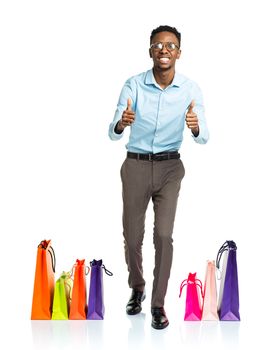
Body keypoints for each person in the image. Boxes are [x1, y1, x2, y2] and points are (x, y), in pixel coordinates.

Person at [108, 25, 209, 329]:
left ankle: (157, 304)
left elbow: (204, 137)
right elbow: (112, 130)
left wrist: (194, 126)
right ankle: (137, 288)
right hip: (136, 164)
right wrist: (121, 123)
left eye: (170, 45)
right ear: (150, 50)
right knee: (132, 235)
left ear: (179, 52)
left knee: (163, 235)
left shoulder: (190, 89)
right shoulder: (134, 85)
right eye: (158, 46)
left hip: (169, 168)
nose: (164, 50)